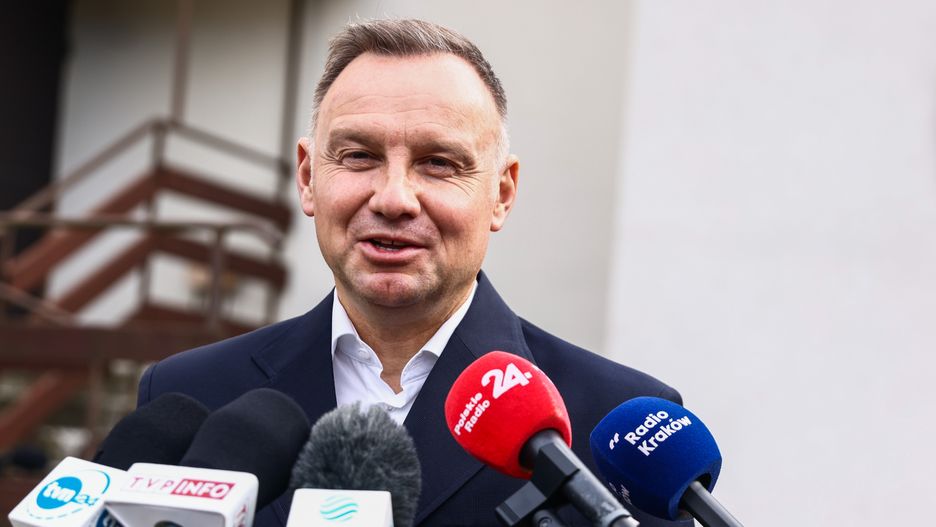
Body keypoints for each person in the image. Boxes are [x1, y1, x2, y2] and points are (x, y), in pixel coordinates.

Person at [137, 19, 685, 526]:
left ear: (502, 193)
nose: (394, 198)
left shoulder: (618, 430)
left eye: (439, 163)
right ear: (307, 177)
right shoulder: (192, 397)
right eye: (358, 156)